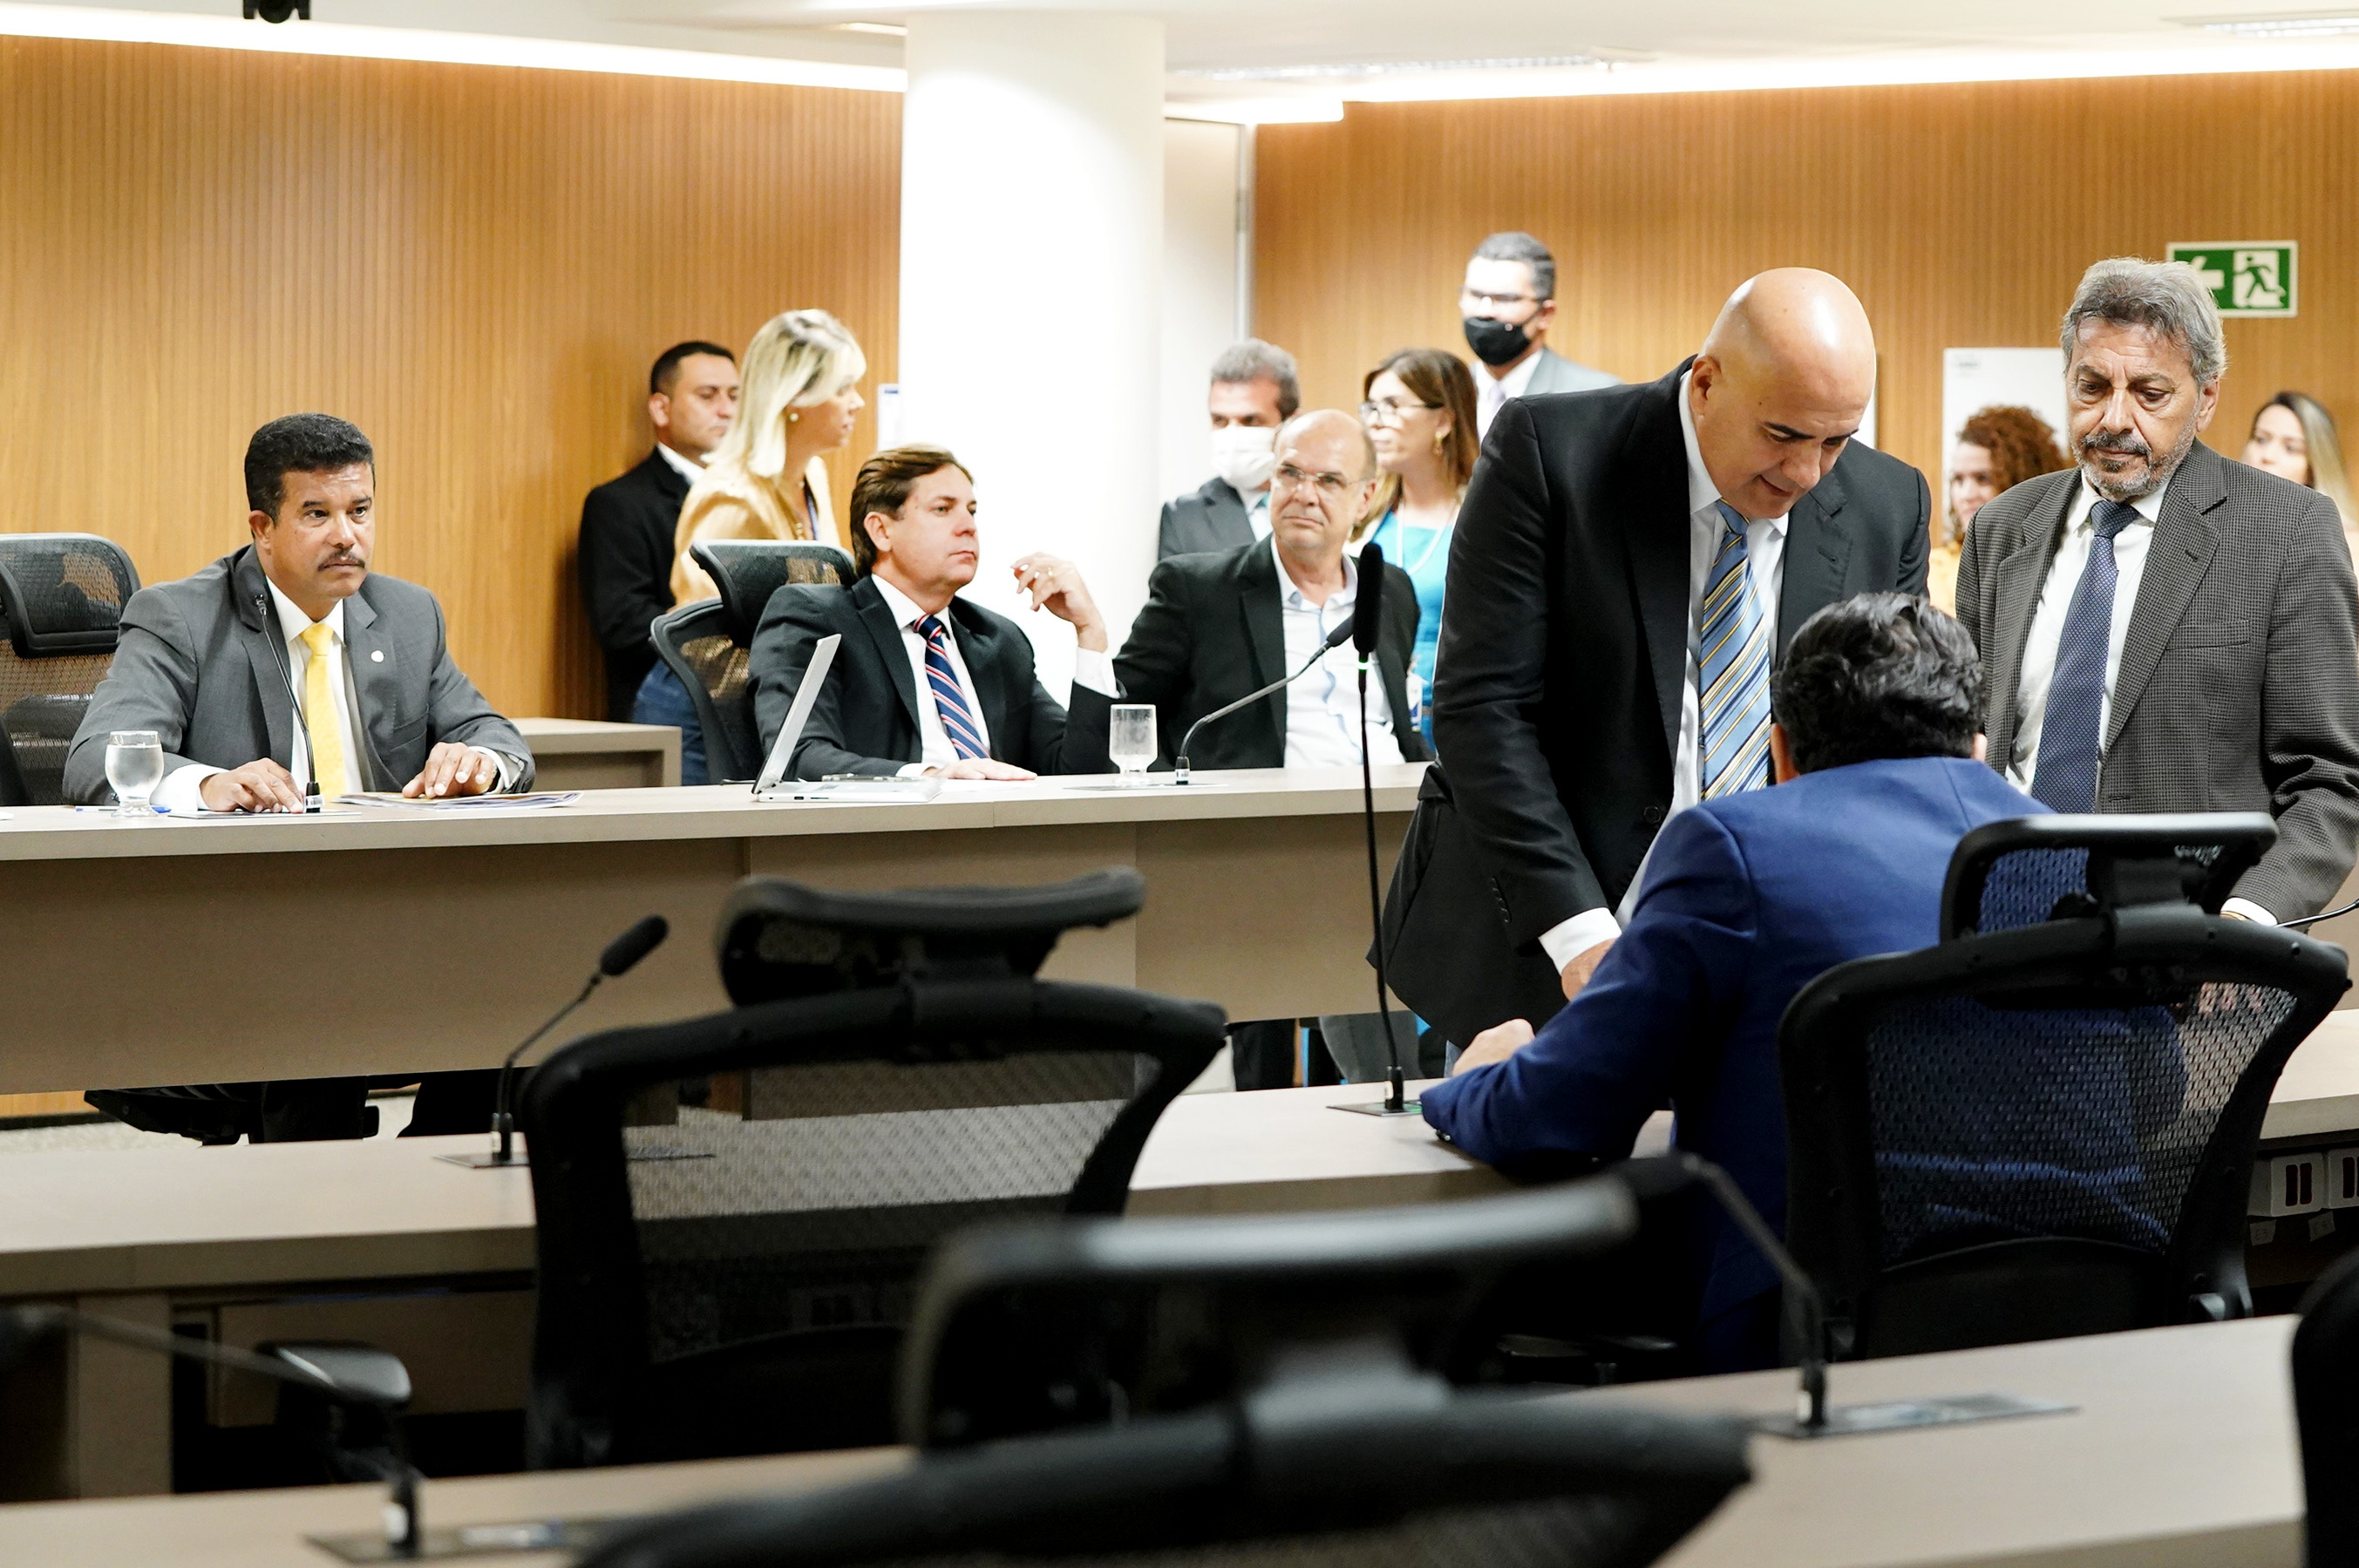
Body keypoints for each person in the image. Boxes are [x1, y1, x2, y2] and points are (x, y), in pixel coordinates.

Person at [1421, 594, 2045, 1369]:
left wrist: (1473, 1080)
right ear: (1978, 751)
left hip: (1806, 1336)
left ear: (1780, 753)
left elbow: (1563, 1113)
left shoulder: (1734, 847)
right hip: (2089, 1320)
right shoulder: (2073, 852)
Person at [1382, 268, 1933, 1050]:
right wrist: (1581, 937)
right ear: (1706, 383)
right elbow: (1483, 711)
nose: (1806, 474)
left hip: (1773, 960)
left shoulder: (1889, 503)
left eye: (1835, 440)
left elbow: (1880, 744)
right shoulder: (1551, 453)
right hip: (1550, 935)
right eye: (1782, 435)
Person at [65, 413, 534, 1142]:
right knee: (321, 1007)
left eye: (360, 510)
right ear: (263, 528)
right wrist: (207, 786)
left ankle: (436, 1183)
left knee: (520, 993)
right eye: (317, 514)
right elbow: (96, 758)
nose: (347, 535)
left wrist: (480, 762)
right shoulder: (181, 617)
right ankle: (317, 1207)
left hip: (393, 927)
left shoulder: (407, 615)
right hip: (239, 936)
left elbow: (496, 736)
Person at [1957, 257, 2359, 923]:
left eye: (2149, 393)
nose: (2114, 418)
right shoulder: (2001, 528)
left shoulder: (2288, 532)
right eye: (2092, 386)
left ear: (2206, 397)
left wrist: (2248, 919)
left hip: (2191, 941)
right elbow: (1966, 747)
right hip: (2003, 926)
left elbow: (2329, 779)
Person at [1118, 409, 1426, 1089]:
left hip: (1379, 840)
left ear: (1365, 497)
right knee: (1263, 1060)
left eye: (1328, 480)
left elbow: (1399, 725)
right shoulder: (1198, 587)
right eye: (1290, 473)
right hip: (1256, 847)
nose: (1304, 494)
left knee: (1390, 1065)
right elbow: (1127, 712)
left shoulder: (1390, 590)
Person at [746, 445, 1112, 780]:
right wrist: (931, 778)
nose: (968, 527)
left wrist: (1090, 631)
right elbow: (797, 760)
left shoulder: (998, 640)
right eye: (943, 509)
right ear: (881, 531)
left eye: (971, 511)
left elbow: (1082, 776)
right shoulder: (818, 620)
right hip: (886, 828)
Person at [634, 309, 865, 784]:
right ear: (795, 396)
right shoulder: (730, 495)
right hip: (707, 717)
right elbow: (701, 636)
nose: (857, 402)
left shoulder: (812, 473)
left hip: (769, 705)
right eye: (843, 388)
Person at [578, 342, 740, 722]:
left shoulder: (749, 499)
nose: (727, 410)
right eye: (708, 395)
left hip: (748, 709)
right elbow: (624, 626)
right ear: (661, 409)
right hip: (665, 711)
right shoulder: (619, 503)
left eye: (735, 396)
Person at [1357, 348, 1479, 741]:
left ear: (1443, 421)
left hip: (1454, 728)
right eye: (1371, 407)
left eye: (1392, 407)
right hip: (1369, 724)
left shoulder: (1483, 521)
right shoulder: (1361, 517)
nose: (1375, 422)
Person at [1460, 232, 1618, 440]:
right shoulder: (1442, 395)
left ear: (1545, 314)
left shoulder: (1596, 397)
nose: (1485, 311)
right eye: (1476, 295)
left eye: (1506, 298)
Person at [1159, 340, 1301, 559]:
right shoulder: (1185, 519)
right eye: (1220, 420)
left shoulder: (1325, 502)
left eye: (1250, 420)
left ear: (1291, 423)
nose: (1232, 434)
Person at [1933, 405, 2068, 613]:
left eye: (1983, 479)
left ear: (2022, 483)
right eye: (1958, 479)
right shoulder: (1933, 569)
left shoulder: (2062, 561)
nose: (1967, 495)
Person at [2241, 390, 2359, 562]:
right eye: (2261, 439)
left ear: (2313, 469)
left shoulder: (2349, 548)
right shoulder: (2217, 527)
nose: (2268, 456)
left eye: (2291, 448)